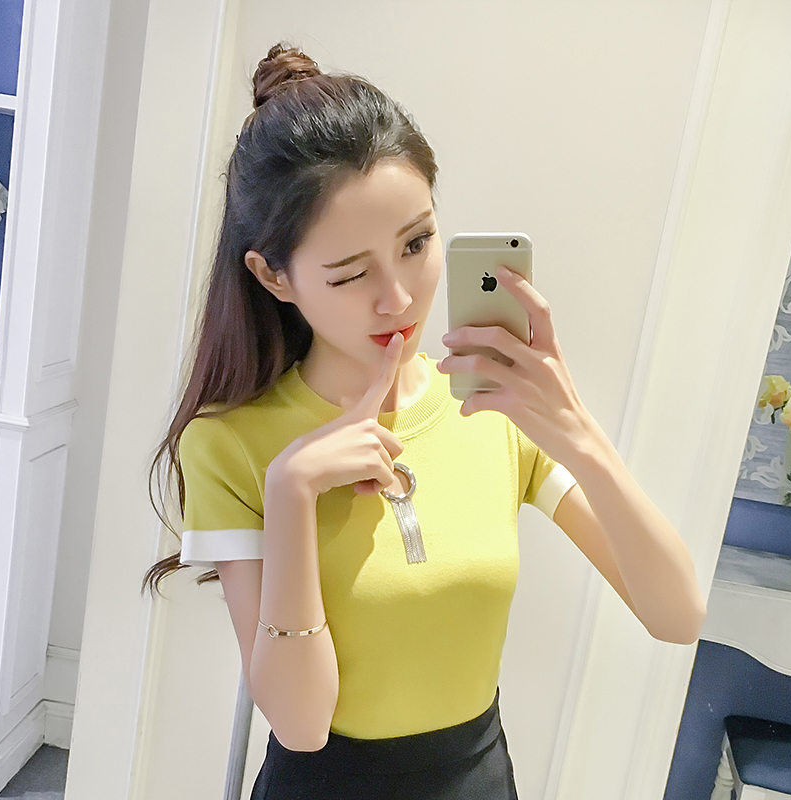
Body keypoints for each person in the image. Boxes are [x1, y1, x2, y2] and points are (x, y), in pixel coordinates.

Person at [141, 42, 706, 800]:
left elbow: (677, 616)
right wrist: (292, 492)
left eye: (416, 243)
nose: (400, 298)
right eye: (351, 273)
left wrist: (577, 432)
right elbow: (301, 726)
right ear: (273, 276)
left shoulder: (493, 410)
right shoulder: (228, 444)